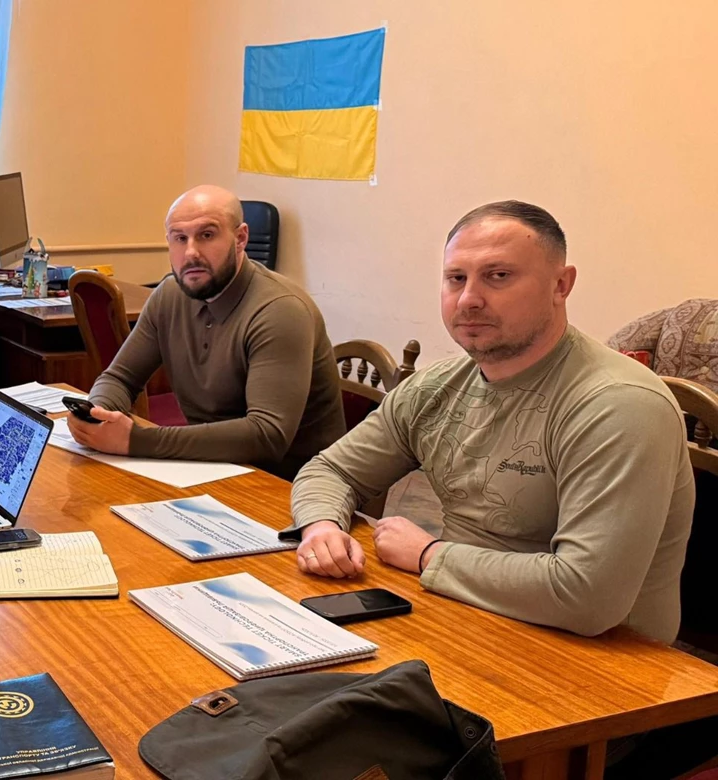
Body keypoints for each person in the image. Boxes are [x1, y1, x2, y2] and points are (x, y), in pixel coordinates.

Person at [285, 201, 694, 646]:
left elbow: (587, 594)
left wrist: (429, 555)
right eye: (456, 278)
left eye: (498, 276)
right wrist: (322, 527)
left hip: (603, 662)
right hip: (462, 619)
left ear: (561, 285)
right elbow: (332, 471)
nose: (469, 299)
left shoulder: (619, 405)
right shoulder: (437, 386)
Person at [68, 185, 345, 480]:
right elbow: (120, 378)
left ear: (241, 238)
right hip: (210, 470)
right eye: (180, 238)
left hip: (289, 486)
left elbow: (266, 435)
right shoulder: (169, 295)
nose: (191, 253)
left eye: (207, 235)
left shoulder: (280, 310)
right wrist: (96, 414)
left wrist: (135, 441)